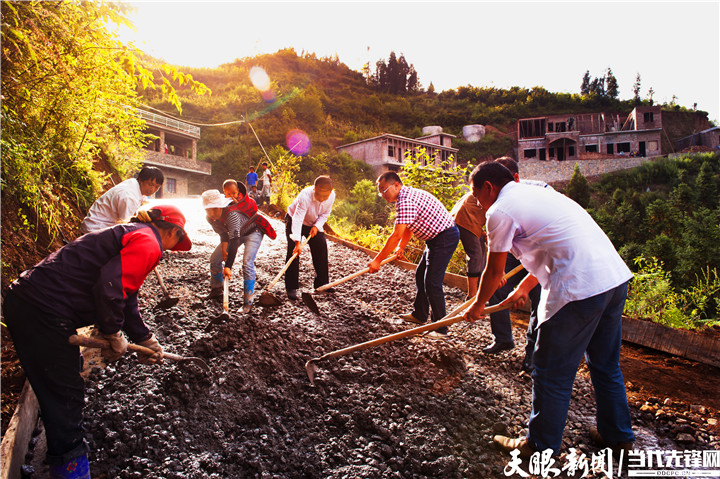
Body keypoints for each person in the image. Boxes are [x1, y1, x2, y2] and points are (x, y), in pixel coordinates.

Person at [3, 205, 191, 479]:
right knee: (64, 398)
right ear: (173, 231)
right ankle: (72, 471)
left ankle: (66, 455)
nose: (172, 251)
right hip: (41, 309)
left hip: (35, 303)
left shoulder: (133, 234)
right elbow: (110, 287)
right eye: (176, 243)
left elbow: (127, 296)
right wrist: (112, 332)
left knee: (62, 387)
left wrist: (144, 338)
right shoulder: (149, 241)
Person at [463, 161, 634, 458]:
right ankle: (617, 436)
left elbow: (493, 271)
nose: (478, 204)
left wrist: (478, 305)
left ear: (489, 187)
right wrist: (525, 288)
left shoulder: (499, 210)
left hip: (579, 289)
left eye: (477, 196)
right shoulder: (542, 193)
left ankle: (540, 446)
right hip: (613, 280)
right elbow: (559, 245)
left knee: (550, 369)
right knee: (605, 365)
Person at [370, 172, 459, 338]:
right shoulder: (405, 197)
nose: (382, 195)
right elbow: (409, 226)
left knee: (432, 282)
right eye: (380, 191)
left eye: (384, 190)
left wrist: (377, 260)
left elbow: (396, 234)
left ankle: (441, 328)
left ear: (396, 185)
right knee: (420, 275)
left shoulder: (405, 201)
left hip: (444, 237)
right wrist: (401, 247)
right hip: (435, 238)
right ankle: (420, 315)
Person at [482, 157, 545, 372]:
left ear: (515, 178)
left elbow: (546, 252)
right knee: (496, 287)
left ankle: (532, 355)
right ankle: (503, 338)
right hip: (513, 251)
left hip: (539, 253)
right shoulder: (491, 196)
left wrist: (524, 288)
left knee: (538, 301)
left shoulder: (541, 190)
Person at [202, 188, 266, 313]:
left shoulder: (232, 215)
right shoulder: (210, 218)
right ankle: (217, 289)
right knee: (215, 259)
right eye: (208, 209)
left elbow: (235, 240)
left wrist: (228, 266)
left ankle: (248, 302)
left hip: (253, 231)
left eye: (215, 208)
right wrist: (224, 249)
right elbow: (223, 234)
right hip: (236, 234)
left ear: (221, 206)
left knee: (247, 263)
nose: (212, 213)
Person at [284, 175, 335, 300]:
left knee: (321, 249)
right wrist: (297, 242)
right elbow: (297, 218)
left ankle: (321, 284)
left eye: (325, 196)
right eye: (319, 195)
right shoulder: (305, 196)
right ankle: (291, 287)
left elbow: (325, 213)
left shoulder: (332, 195)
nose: (322, 199)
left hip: (313, 223)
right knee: (294, 253)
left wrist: (317, 226)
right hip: (294, 220)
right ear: (315, 188)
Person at [80, 167, 164, 234]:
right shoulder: (129, 197)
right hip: (95, 230)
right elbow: (126, 225)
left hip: (102, 227)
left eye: (157, 187)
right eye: (150, 184)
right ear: (141, 180)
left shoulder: (134, 184)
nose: (152, 189)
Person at [449, 192, 487, 300]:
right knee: (476, 255)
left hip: (472, 218)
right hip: (464, 217)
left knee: (482, 255)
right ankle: (472, 296)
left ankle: (480, 292)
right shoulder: (495, 186)